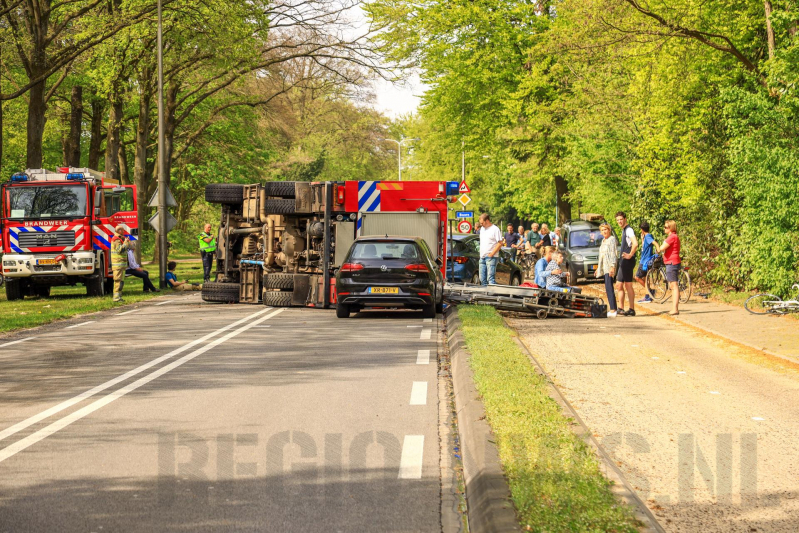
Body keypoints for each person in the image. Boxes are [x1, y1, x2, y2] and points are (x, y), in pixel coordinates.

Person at [615, 211, 638, 316]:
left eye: (621, 219)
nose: (619, 221)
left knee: (628, 285)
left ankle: (632, 309)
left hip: (628, 261)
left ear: (625, 219)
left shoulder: (629, 230)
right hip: (623, 261)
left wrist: (630, 254)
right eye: (618, 220)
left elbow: (635, 243)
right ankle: (620, 308)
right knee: (619, 285)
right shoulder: (624, 230)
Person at [658, 220, 682, 315]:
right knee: (673, 285)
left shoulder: (672, 237)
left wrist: (657, 246)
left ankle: (675, 309)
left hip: (672, 263)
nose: (664, 229)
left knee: (674, 285)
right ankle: (674, 308)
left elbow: (661, 248)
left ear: (671, 228)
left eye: (666, 227)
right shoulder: (673, 237)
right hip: (672, 262)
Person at [596, 223, 619, 317]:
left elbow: (613, 254)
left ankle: (613, 309)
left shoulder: (612, 239)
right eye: (602, 230)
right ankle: (613, 308)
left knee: (609, 287)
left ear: (609, 230)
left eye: (606, 229)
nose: (604, 231)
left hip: (609, 267)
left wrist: (612, 266)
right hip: (604, 267)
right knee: (607, 288)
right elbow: (601, 256)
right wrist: (598, 268)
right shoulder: (603, 241)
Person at [635, 221, 659, 303]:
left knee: (637, 277)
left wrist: (658, 249)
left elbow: (654, 243)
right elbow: (644, 248)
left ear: (642, 229)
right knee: (646, 278)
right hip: (646, 260)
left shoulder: (648, 237)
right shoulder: (648, 236)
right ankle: (647, 295)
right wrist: (642, 239)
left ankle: (649, 292)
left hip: (644, 261)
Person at [478, 213, 503, 286]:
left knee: (490, 278)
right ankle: (484, 294)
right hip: (482, 257)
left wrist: (491, 254)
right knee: (482, 279)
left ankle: (492, 294)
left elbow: (500, 243)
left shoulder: (495, 229)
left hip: (491, 257)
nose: (481, 224)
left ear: (487, 220)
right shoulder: (482, 229)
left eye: (482, 223)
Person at [110, 226, 132, 302]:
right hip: (118, 265)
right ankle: (116, 298)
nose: (123, 231)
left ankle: (119, 296)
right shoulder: (116, 239)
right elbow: (120, 250)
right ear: (119, 231)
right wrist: (126, 243)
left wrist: (127, 242)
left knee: (121, 281)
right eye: (122, 230)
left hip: (121, 265)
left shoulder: (120, 239)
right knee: (117, 280)